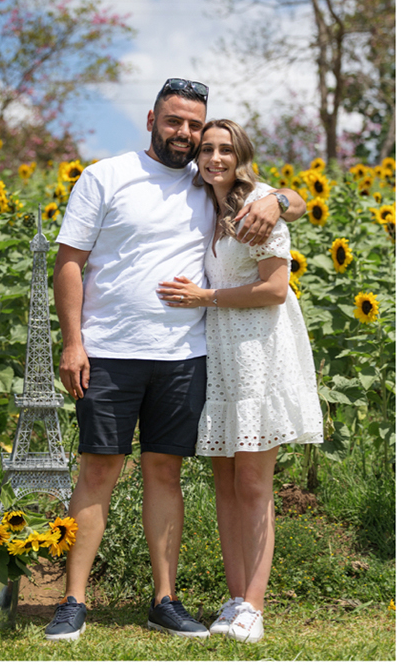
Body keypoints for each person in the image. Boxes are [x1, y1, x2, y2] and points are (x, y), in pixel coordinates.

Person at [46, 81, 304, 643]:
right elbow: (69, 262)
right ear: (151, 120)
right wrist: (72, 341)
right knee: (97, 469)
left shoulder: (207, 184)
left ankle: (164, 599)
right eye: (175, 122)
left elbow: (282, 197)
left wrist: (277, 199)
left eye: (194, 125)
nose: (186, 135)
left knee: (166, 473)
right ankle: (72, 601)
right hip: (110, 348)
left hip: (187, 354)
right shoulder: (106, 176)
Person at [154, 118, 324, 644]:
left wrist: (204, 297)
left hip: (260, 350)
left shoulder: (261, 206)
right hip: (221, 350)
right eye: (207, 149)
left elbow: (275, 289)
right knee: (225, 483)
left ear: (241, 154)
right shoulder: (207, 205)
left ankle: (255, 602)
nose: (215, 158)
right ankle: (234, 599)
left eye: (226, 150)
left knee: (254, 482)